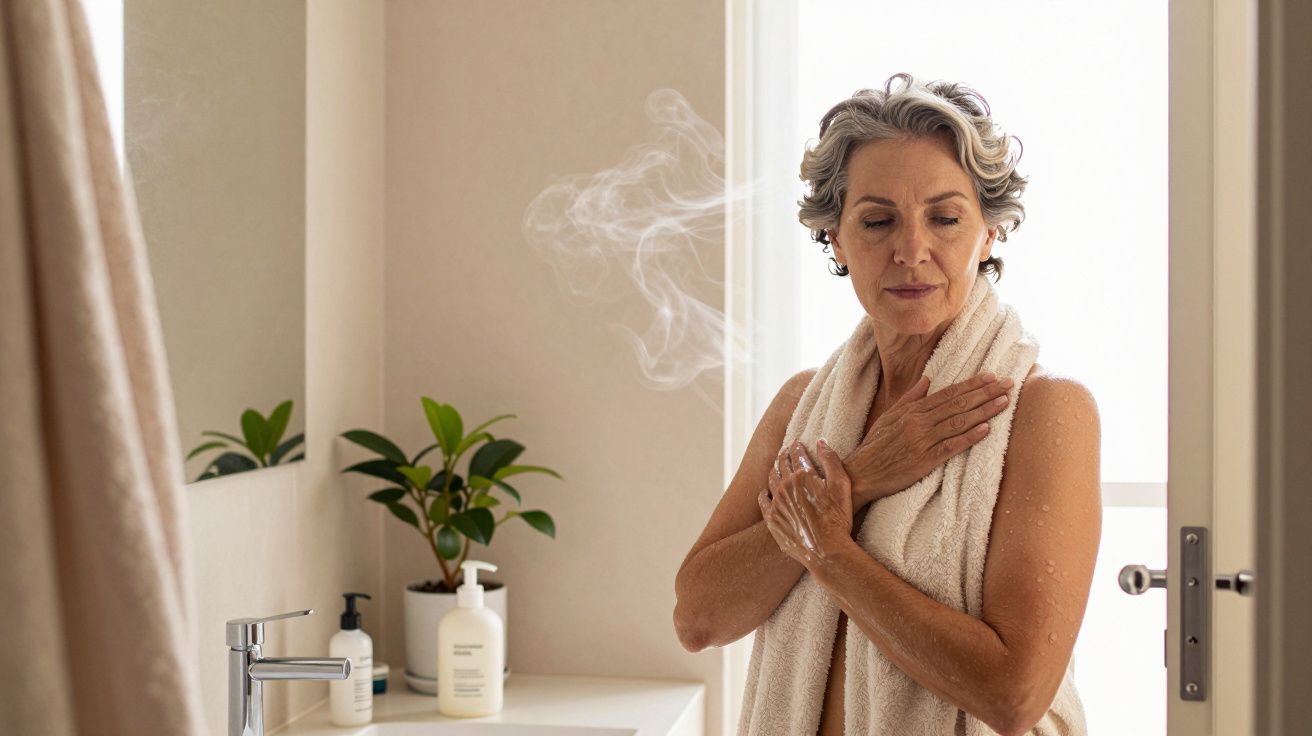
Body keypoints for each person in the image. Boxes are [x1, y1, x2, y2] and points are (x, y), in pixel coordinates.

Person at [674, 73, 1100, 735]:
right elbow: (699, 618)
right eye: (877, 221)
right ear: (837, 240)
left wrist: (831, 552)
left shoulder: (1044, 412)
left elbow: (1015, 696)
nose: (911, 250)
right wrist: (861, 477)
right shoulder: (802, 408)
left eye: (945, 217)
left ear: (988, 233)